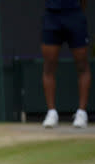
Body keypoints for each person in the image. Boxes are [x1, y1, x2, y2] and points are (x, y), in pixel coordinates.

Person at [41, 0, 91, 128]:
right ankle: (51, 112)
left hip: (75, 14)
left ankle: (81, 113)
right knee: (49, 66)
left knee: (82, 65)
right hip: (52, 16)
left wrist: (77, 10)